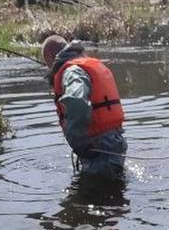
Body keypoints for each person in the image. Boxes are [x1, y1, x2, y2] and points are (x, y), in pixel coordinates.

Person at [42, 35, 127, 178]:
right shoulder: (84, 64)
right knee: (113, 194)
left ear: (50, 56)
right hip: (113, 142)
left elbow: (77, 102)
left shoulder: (72, 71)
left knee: (96, 196)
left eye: (47, 64)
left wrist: (78, 141)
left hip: (98, 148)